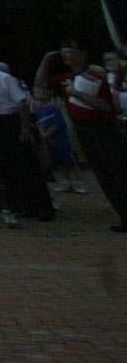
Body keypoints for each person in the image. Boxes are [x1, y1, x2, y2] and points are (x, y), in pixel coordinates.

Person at [50, 40, 127, 231]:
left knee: (117, 172)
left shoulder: (94, 76)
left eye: (70, 52)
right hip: (84, 131)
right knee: (104, 174)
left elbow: (105, 106)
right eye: (64, 53)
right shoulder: (69, 77)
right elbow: (43, 82)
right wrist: (47, 60)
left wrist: (76, 93)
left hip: (102, 130)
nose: (66, 56)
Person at [0, 44, 47, 226]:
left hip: (9, 121)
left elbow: (22, 104)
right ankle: (24, 204)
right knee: (8, 167)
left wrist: (25, 129)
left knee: (26, 166)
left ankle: (42, 206)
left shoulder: (5, 78)